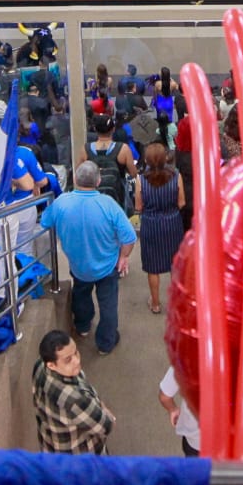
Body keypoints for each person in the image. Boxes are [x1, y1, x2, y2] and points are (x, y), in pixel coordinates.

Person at [42, 161, 136, 354]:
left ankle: (83, 326)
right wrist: (124, 257)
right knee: (108, 304)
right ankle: (105, 343)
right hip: (107, 266)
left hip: (78, 265)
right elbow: (129, 236)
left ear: (75, 179)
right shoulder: (108, 204)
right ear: (99, 181)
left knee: (81, 294)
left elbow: (45, 221)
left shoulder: (61, 202)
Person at [32, 330, 114, 454]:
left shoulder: (40, 366)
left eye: (76, 352)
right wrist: (104, 409)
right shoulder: (75, 400)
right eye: (68, 359)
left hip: (51, 449)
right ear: (51, 365)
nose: (77, 360)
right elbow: (106, 426)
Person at [134, 143, 186, 315]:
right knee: (174, 264)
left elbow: (138, 207)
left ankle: (155, 303)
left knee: (153, 267)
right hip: (172, 223)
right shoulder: (176, 176)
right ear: (165, 158)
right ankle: (176, 303)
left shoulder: (141, 180)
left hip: (151, 224)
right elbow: (181, 203)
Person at [158, 367, 201, 457]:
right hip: (229, 442)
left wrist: (173, 410)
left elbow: (164, 397)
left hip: (195, 441)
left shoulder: (187, 360)